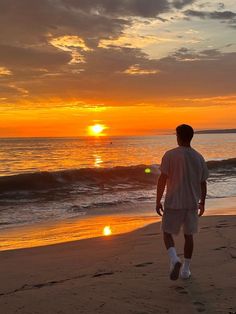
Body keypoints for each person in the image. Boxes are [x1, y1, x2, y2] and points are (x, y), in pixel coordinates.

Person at [156, 124, 209, 280]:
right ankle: (185, 270)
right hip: (192, 202)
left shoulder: (170, 155)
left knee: (167, 233)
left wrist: (158, 200)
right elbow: (203, 182)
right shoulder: (198, 157)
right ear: (191, 137)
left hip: (173, 201)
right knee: (189, 236)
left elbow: (162, 179)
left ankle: (174, 259)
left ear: (178, 136)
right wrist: (202, 203)